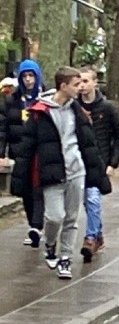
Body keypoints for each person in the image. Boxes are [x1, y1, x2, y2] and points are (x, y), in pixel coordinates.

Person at [10, 67, 110, 279]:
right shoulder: (39, 112)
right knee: (55, 217)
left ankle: (65, 258)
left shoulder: (77, 110)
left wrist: (98, 175)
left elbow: (89, 144)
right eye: (76, 84)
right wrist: (19, 179)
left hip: (76, 172)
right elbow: (26, 148)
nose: (80, 88)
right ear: (63, 86)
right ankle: (51, 244)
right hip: (52, 174)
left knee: (72, 218)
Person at [77, 66, 119, 262]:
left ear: (95, 82)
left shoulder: (106, 108)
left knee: (94, 199)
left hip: (99, 162)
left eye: (86, 81)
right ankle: (98, 234)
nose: (82, 86)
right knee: (88, 203)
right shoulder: (74, 107)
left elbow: (118, 137)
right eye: (79, 82)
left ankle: (90, 239)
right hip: (79, 162)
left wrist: (112, 163)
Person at [0, 59, 45, 247]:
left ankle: (37, 226)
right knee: (25, 190)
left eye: (31, 76)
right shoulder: (12, 101)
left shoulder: (45, 98)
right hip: (20, 151)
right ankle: (32, 225)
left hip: (41, 151)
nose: (28, 80)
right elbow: (3, 127)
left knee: (39, 190)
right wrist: (2, 152)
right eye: (24, 76)